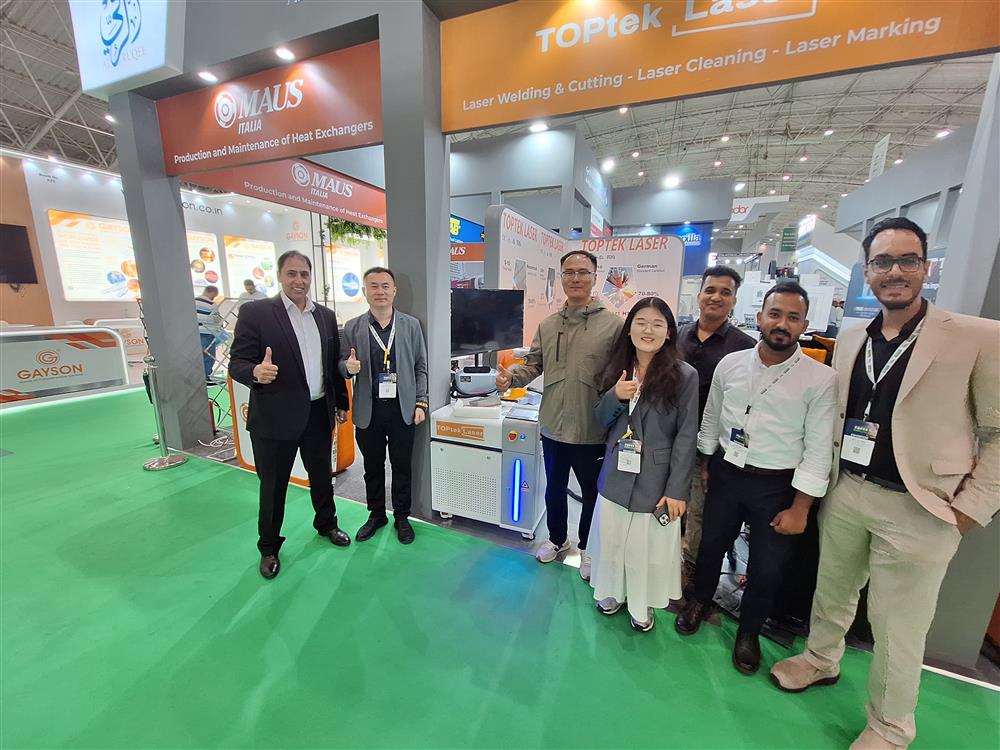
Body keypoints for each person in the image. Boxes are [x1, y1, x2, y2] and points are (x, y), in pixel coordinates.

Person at [770, 217, 1000, 750]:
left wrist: (970, 508)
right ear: (867, 270)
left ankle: (891, 726)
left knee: (899, 624)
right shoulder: (854, 338)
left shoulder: (976, 337)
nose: (894, 272)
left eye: (907, 260)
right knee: (832, 589)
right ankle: (821, 659)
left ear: (925, 266)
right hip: (849, 489)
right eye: (882, 262)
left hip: (920, 506)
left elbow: (997, 433)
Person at [675, 281, 837, 676]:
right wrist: (706, 463)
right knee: (710, 545)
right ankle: (699, 601)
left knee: (767, 567)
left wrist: (801, 507)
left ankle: (749, 632)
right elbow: (712, 417)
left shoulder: (820, 378)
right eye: (775, 314)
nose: (782, 324)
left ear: (804, 325)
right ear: (760, 317)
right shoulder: (731, 364)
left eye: (793, 317)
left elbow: (819, 448)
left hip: (777, 484)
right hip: (727, 472)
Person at [496, 250, 623, 578]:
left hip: (592, 428)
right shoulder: (549, 325)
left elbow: (621, 375)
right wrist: (512, 378)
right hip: (553, 424)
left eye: (583, 272)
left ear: (594, 277)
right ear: (562, 277)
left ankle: (588, 548)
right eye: (569, 272)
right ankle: (556, 539)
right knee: (554, 487)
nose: (576, 278)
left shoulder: (613, 326)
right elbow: (534, 364)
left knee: (592, 493)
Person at [228, 250, 351, 580]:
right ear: (280, 276)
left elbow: (331, 365)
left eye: (304, 274)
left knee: (322, 477)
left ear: (311, 277)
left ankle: (327, 524)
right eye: (292, 273)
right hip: (274, 417)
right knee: (273, 486)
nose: (299, 280)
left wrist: (341, 402)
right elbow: (237, 362)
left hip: (318, 412)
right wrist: (255, 372)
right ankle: (269, 547)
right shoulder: (256, 313)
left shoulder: (325, 316)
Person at [589, 298, 699, 632]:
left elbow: (686, 435)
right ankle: (611, 592)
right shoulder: (617, 367)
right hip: (616, 473)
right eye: (640, 322)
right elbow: (600, 420)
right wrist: (615, 396)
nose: (647, 330)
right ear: (629, 329)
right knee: (612, 541)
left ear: (669, 332)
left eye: (657, 324)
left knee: (644, 549)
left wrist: (677, 490)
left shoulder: (684, 375)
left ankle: (641, 604)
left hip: (656, 478)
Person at [675, 266, 755, 585]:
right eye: (710, 290)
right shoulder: (677, 335)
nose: (716, 297)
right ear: (699, 295)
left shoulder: (745, 346)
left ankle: (691, 573)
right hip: (670, 440)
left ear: (734, 300)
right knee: (666, 504)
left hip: (710, 448)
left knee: (699, 512)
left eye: (725, 292)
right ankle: (662, 561)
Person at [340, 267, 429, 545]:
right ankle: (376, 514)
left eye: (385, 286)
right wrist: (347, 368)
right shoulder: (352, 327)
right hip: (369, 410)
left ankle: (402, 517)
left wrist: (421, 402)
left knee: (402, 466)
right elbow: (340, 365)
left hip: (403, 408)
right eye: (374, 286)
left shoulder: (411, 325)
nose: (380, 291)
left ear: (394, 291)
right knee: (372, 467)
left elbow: (420, 367)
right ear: (365, 291)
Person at [195, 285, 223, 382]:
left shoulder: (193, 301)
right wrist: (221, 326)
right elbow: (217, 320)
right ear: (212, 292)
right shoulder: (211, 304)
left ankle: (198, 378)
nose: (214, 297)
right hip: (207, 332)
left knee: (198, 356)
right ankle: (206, 377)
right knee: (208, 356)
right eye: (214, 295)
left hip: (194, 333)